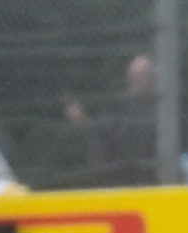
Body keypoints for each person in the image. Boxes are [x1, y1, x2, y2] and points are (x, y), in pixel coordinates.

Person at [65, 53, 156, 186]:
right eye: (135, 75)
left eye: (144, 74)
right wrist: (82, 122)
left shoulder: (167, 111)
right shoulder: (118, 107)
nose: (138, 79)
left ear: (153, 77)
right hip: (122, 182)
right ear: (128, 77)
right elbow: (100, 132)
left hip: (156, 183)